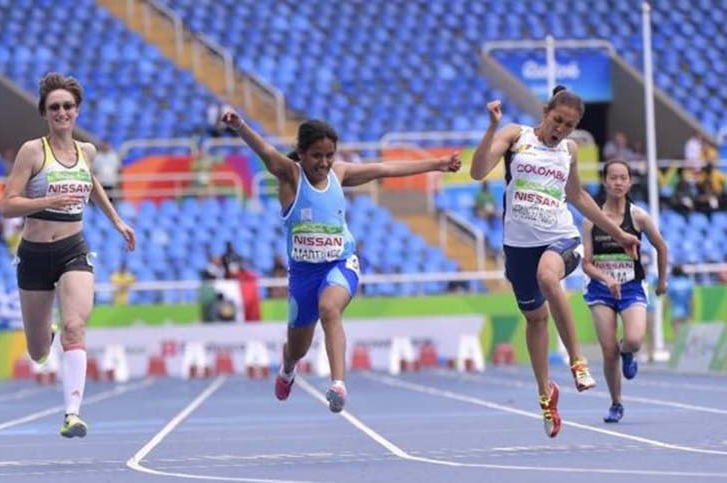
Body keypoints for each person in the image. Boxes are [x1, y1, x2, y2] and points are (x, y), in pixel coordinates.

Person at [223, 109, 460, 413]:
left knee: (329, 309)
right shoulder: (290, 177)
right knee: (297, 347)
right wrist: (239, 125)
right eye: (316, 156)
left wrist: (438, 164)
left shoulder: (341, 174)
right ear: (301, 153)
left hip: (340, 263)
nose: (324, 163)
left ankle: (338, 384)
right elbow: (266, 152)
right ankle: (287, 369)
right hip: (303, 275)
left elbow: (386, 169)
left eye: (329, 155)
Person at [469, 86, 640, 438]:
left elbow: (577, 197)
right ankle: (545, 393)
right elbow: (477, 171)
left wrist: (619, 234)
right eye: (558, 120)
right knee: (535, 320)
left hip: (560, 235)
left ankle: (577, 361)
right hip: (518, 245)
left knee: (549, 277)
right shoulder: (517, 136)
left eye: (569, 125)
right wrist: (491, 127)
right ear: (546, 112)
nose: (561, 129)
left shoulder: (570, 150)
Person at [2, 73, 135, 438]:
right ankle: (48, 336)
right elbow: (7, 206)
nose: (62, 112)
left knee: (76, 327)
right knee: (39, 350)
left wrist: (118, 222)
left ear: (77, 111)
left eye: (68, 106)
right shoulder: (33, 151)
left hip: (73, 249)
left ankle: (71, 414)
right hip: (34, 254)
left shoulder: (86, 151)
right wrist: (47, 200)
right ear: (45, 113)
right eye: (54, 107)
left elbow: (91, 184)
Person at [581, 159, 668, 423]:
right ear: (604, 181)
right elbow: (586, 263)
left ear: (629, 182)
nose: (618, 183)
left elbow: (661, 248)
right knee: (608, 351)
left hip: (631, 287)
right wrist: (605, 278)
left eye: (623, 178)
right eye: (613, 177)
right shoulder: (591, 221)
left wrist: (662, 281)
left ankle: (626, 351)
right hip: (601, 290)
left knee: (634, 340)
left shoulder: (638, 217)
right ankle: (616, 403)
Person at [666, 265, 694, 337]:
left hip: (675, 313)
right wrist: (691, 312)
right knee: (686, 335)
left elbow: (668, 300)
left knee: (677, 335)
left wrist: (665, 311)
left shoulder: (671, 283)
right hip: (686, 312)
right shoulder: (688, 282)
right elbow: (691, 300)